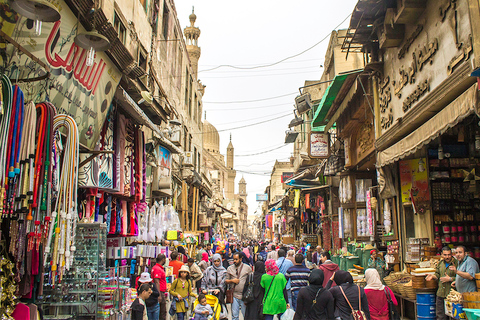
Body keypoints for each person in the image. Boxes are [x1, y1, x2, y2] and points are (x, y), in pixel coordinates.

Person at [426, 246, 458, 320]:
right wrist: (433, 276)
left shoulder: (456, 264)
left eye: (449, 255)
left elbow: (460, 278)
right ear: (442, 255)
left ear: (452, 254)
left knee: (453, 316)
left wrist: (450, 279)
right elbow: (437, 274)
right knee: (440, 316)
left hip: (451, 295)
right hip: (441, 293)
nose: (447, 257)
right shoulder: (440, 263)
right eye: (445, 255)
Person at [226, 252, 252, 320]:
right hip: (234, 295)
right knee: (234, 316)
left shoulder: (247, 268)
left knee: (245, 315)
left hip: (244, 296)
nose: (234, 261)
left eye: (236, 259)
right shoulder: (229, 268)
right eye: (233, 259)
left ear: (241, 259)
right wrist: (232, 281)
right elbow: (226, 281)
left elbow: (251, 280)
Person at [201, 253, 228, 319]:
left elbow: (224, 283)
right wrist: (203, 289)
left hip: (219, 294)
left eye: (218, 261)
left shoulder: (224, 271)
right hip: (208, 293)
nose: (216, 263)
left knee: (220, 312)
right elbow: (204, 280)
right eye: (215, 261)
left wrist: (219, 289)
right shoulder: (208, 270)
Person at [151, 254, 167, 320]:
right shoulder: (157, 269)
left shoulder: (157, 268)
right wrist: (159, 295)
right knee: (162, 312)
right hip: (160, 292)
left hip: (161, 291)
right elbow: (156, 281)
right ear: (163, 259)